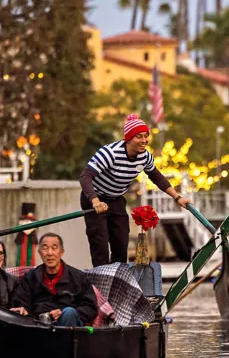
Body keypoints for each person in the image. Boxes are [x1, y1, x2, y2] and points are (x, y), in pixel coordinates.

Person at [79, 114, 191, 267]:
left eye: (146, 136)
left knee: (121, 245)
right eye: (139, 137)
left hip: (116, 199)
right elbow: (85, 176)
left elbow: (157, 177)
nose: (144, 140)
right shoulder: (110, 153)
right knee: (101, 247)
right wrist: (95, 201)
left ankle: (118, 283)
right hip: (95, 199)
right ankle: (101, 287)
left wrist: (178, 198)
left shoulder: (144, 156)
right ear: (129, 138)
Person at [10, 233, 97, 327]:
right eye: (45, 248)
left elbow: (90, 308)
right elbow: (20, 303)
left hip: (69, 327)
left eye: (54, 248)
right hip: (39, 326)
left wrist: (64, 313)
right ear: (39, 252)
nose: (49, 253)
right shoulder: (30, 277)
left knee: (69, 312)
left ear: (61, 252)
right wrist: (23, 310)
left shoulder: (78, 277)